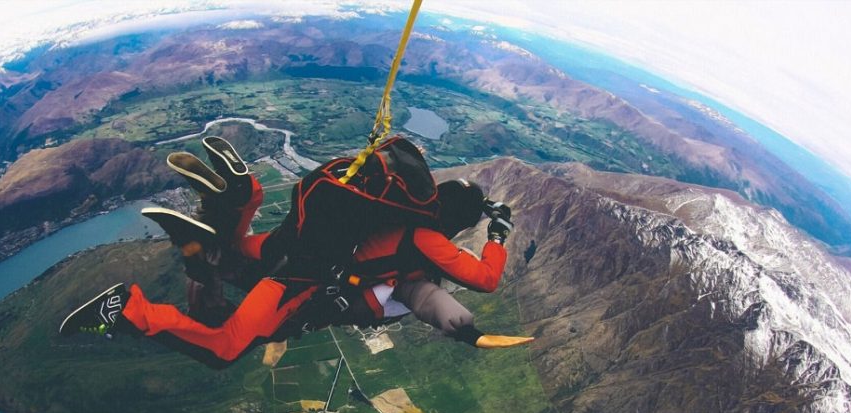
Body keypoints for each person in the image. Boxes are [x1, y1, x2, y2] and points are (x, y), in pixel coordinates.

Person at [59, 137, 531, 364]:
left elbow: (420, 293)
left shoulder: (388, 217)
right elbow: (471, 284)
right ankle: (130, 311)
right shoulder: (423, 239)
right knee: (225, 347)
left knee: (234, 257)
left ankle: (244, 200)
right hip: (302, 285)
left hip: (286, 245)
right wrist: (495, 240)